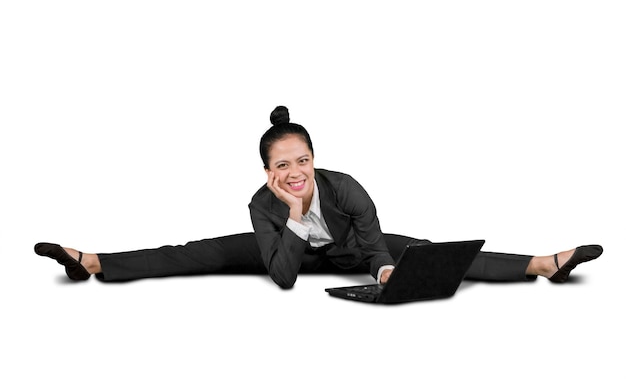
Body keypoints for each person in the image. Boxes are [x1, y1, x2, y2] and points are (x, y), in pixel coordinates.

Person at [34, 106, 603, 289]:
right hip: (286, 248)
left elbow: (376, 244)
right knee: (198, 252)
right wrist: (294, 217)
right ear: (267, 172)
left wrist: (382, 270)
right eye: (282, 166)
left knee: (426, 250)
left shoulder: (346, 187)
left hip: (351, 251)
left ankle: (542, 264)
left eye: (302, 162)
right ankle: (93, 262)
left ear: (314, 160)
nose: (294, 173)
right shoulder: (263, 204)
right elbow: (283, 276)